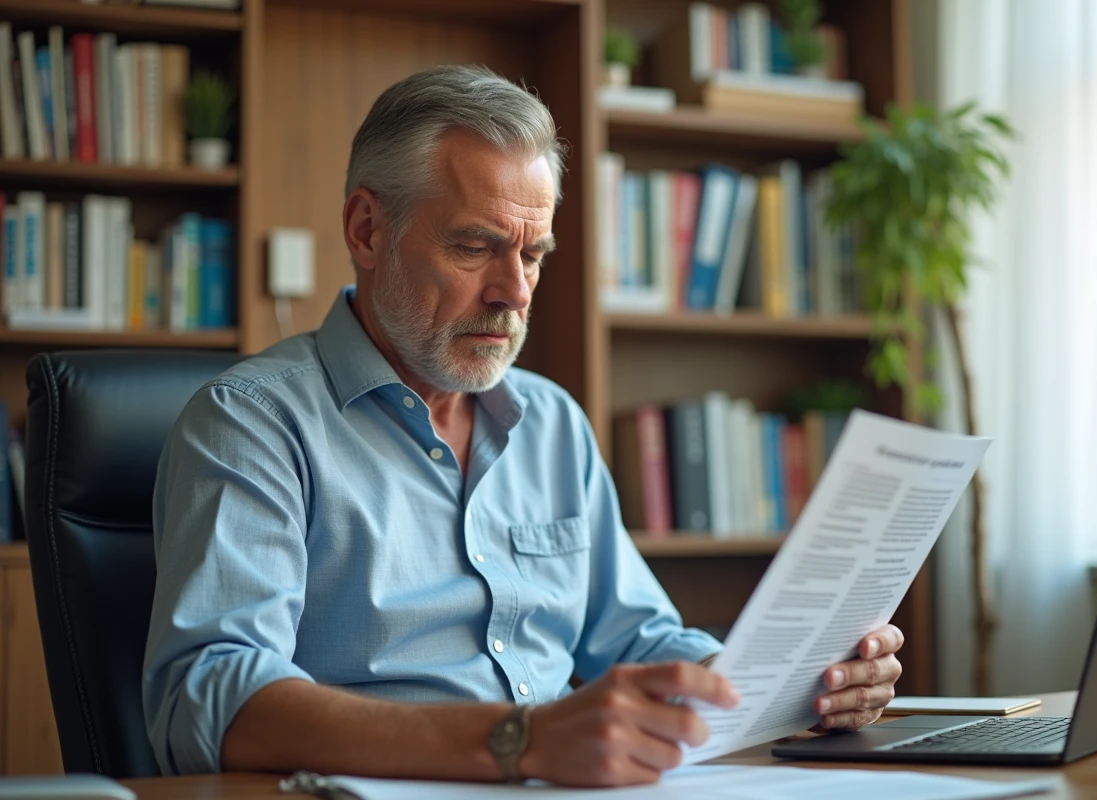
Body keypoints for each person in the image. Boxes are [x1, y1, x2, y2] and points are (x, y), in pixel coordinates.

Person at [143, 65, 903, 787]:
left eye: (532, 254)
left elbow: (638, 643)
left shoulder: (552, 424)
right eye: (475, 247)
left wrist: (801, 685)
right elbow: (209, 698)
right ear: (368, 230)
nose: (514, 292)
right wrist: (519, 741)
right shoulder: (253, 423)